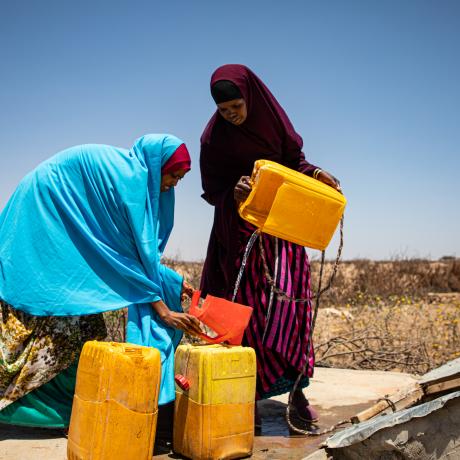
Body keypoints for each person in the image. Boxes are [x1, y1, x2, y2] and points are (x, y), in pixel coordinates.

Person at [0, 134, 201, 430]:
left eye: (180, 179)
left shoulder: (135, 180)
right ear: (157, 168)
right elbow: (123, 260)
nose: (174, 184)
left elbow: (133, 256)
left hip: (58, 221)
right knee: (53, 323)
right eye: (172, 175)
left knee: (85, 326)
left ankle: (62, 409)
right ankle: (21, 406)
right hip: (43, 218)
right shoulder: (129, 185)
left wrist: (171, 281)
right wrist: (163, 311)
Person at [199, 65, 341, 429]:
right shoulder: (212, 140)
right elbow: (213, 189)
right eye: (224, 111)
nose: (231, 116)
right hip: (240, 236)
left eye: (237, 107)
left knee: (292, 313)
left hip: (283, 231)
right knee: (248, 315)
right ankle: (248, 399)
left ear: (251, 97)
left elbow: (296, 163)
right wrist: (234, 191)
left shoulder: (273, 122)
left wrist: (317, 174)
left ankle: (297, 393)